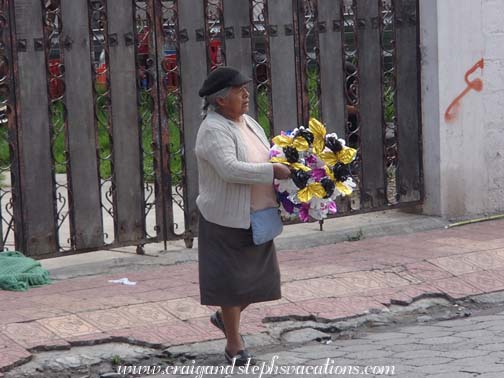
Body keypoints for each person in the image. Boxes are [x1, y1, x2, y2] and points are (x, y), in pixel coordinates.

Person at [195, 66, 291, 365]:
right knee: (231, 284)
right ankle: (234, 347)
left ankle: (225, 318)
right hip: (227, 218)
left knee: (261, 281)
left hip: (258, 215)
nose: (246, 94)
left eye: (245, 89)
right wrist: (272, 170)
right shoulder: (212, 129)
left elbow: (267, 153)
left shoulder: (247, 122)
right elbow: (229, 168)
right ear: (221, 100)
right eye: (239, 91)